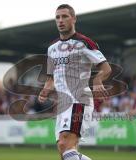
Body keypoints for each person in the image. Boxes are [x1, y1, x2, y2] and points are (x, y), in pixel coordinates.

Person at [38, 4, 111, 160]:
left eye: (65, 16)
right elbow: (51, 77)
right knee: (63, 149)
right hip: (62, 103)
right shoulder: (52, 48)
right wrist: (46, 89)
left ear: (74, 19)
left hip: (79, 99)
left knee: (65, 144)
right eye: (57, 17)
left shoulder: (84, 43)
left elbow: (106, 68)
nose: (60, 20)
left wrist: (98, 79)